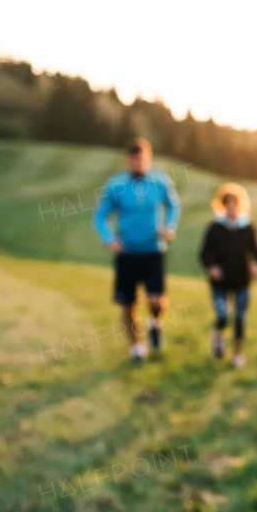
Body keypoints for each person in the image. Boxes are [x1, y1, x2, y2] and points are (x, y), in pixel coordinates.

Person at [92, 138, 182, 362]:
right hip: (126, 253)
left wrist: (170, 226)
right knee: (127, 304)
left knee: (155, 301)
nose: (138, 164)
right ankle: (136, 347)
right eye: (134, 160)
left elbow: (173, 205)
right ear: (127, 160)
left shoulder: (160, 181)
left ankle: (155, 322)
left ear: (148, 158)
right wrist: (109, 239)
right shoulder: (116, 185)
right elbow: (100, 216)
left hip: (153, 251)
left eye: (142, 160)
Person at [199, 183, 257, 368]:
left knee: (240, 318)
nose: (231, 207)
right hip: (219, 282)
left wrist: (256, 265)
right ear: (222, 204)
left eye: (234, 203)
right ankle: (218, 337)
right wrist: (212, 267)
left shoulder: (248, 227)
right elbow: (204, 254)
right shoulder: (215, 227)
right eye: (228, 203)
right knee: (223, 315)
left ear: (240, 204)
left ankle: (237, 354)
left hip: (242, 280)